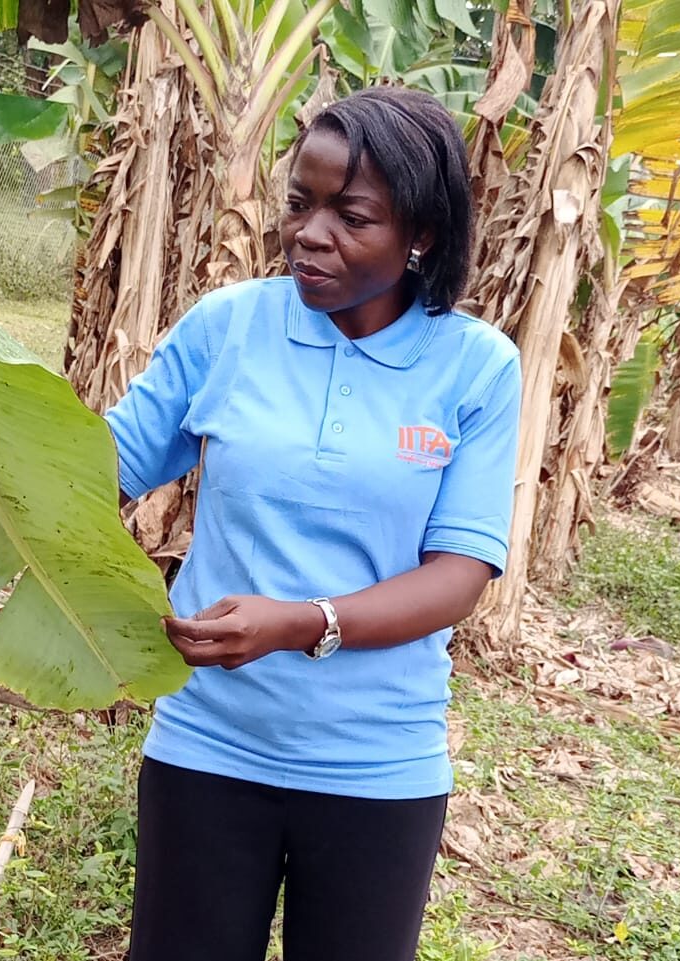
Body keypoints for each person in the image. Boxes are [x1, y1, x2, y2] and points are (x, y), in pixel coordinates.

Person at [106, 86, 521, 961]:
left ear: (423, 235)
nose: (310, 232)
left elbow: (461, 572)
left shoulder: (475, 367)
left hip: (378, 766)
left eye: (351, 214)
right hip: (207, 745)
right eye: (299, 202)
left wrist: (304, 625)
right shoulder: (229, 328)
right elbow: (99, 469)